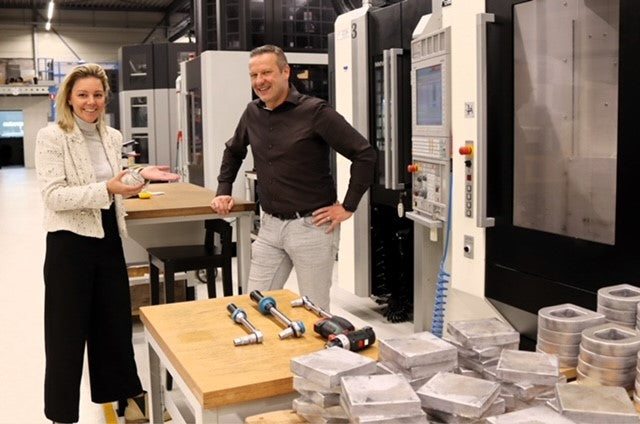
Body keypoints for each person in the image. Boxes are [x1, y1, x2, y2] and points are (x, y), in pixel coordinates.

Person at [35, 63, 179, 423]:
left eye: (98, 95)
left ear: (106, 98)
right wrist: (107, 189)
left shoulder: (113, 136)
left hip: (108, 238)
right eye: (83, 95)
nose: (91, 102)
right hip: (69, 243)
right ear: (69, 98)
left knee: (114, 327)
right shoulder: (51, 137)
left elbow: (114, 179)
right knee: (66, 335)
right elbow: (54, 196)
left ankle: (128, 400)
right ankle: (61, 414)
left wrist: (140, 174)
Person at [210, 45, 376, 311]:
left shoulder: (315, 111)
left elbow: (364, 154)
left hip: (311, 227)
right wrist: (223, 190)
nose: (260, 81)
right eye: (254, 75)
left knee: (314, 312)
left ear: (285, 72)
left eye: (266, 73)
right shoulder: (252, 112)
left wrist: (348, 206)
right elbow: (233, 150)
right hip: (269, 227)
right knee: (254, 306)